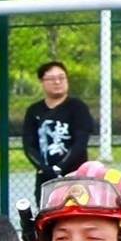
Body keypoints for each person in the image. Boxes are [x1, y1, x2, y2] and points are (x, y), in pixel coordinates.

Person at [16, 58, 101, 186]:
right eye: (51, 79)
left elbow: (80, 142)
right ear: (42, 82)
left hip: (75, 177)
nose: (57, 82)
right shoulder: (34, 111)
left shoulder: (78, 107)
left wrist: (60, 167)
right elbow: (29, 146)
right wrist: (44, 168)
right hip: (45, 180)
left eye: (62, 77)